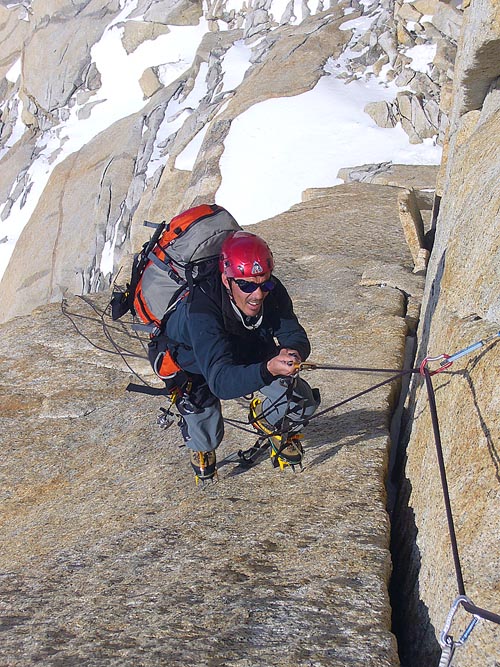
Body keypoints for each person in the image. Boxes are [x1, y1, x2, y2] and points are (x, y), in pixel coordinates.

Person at [163, 230, 320, 482]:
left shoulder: (272, 291)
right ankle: (201, 445)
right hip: (195, 362)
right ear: (227, 280)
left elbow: (293, 333)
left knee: (300, 403)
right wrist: (268, 369)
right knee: (208, 436)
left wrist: (292, 353)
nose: (257, 294)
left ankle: (268, 421)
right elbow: (222, 383)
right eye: (246, 285)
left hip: (246, 345)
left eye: (264, 284)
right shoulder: (202, 308)